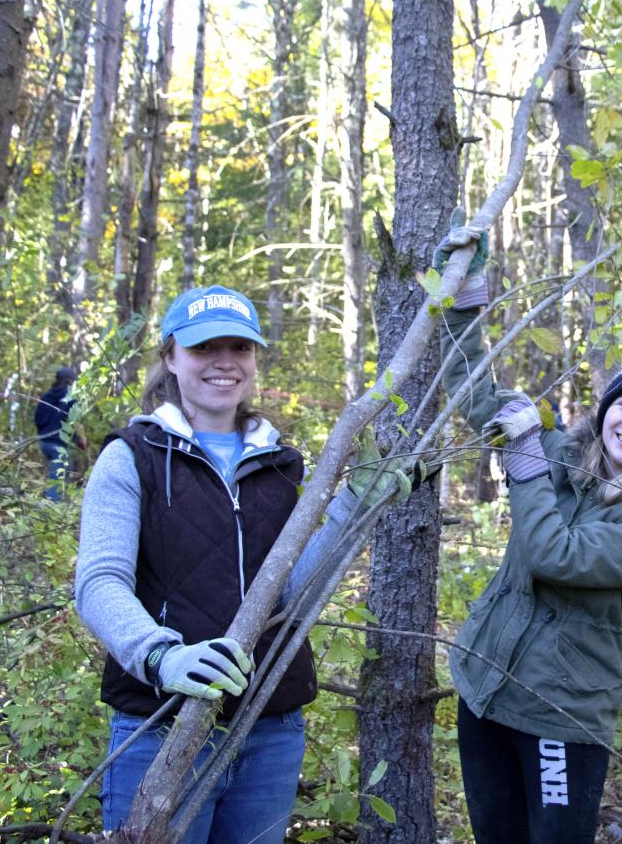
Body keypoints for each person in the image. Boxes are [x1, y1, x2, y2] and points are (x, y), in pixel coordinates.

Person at [74, 285, 405, 843]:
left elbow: (291, 595)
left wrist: (355, 502)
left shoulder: (280, 462)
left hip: (269, 727)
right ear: (171, 357)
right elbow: (99, 583)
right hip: (163, 722)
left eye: (240, 348)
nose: (225, 362)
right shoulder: (133, 456)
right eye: (205, 348)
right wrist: (162, 656)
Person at [436, 221, 622, 843]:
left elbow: (553, 556)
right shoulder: (559, 456)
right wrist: (463, 294)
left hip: (560, 715)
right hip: (484, 689)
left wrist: (522, 462)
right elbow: (474, 391)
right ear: (605, 410)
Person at [34, 365, 87, 500]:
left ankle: (51, 503)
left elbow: (37, 419)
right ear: (70, 381)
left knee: (54, 476)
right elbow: (76, 421)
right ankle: (52, 510)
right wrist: (82, 440)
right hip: (58, 445)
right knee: (57, 481)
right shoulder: (70, 397)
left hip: (44, 443)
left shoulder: (46, 396)